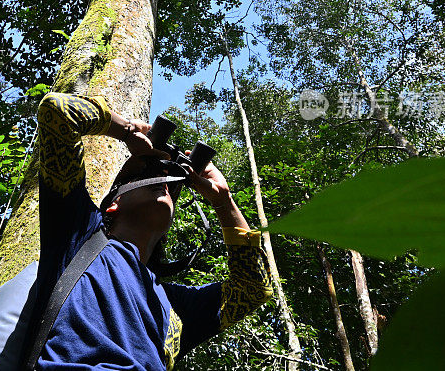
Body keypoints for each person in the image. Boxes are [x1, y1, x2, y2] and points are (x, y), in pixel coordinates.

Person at [31, 92, 273, 370]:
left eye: (167, 181)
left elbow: (255, 289)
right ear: (113, 204)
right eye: (147, 175)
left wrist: (224, 202)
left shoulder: (173, 305)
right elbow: (58, 110)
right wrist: (128, 131)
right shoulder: (78, 232)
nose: (163, 182)